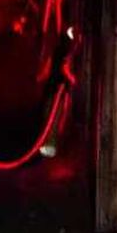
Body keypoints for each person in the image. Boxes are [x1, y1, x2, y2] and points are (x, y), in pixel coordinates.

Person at [36, 25, 78, 157]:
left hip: (60, 90)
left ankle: (50, 147)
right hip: (53, 88)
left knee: (54, 119)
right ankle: (46, 146)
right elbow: (50, 66)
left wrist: (71, 78)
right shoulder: (59, 50)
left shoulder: (71, 51)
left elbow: (66, 70)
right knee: (49, 117)